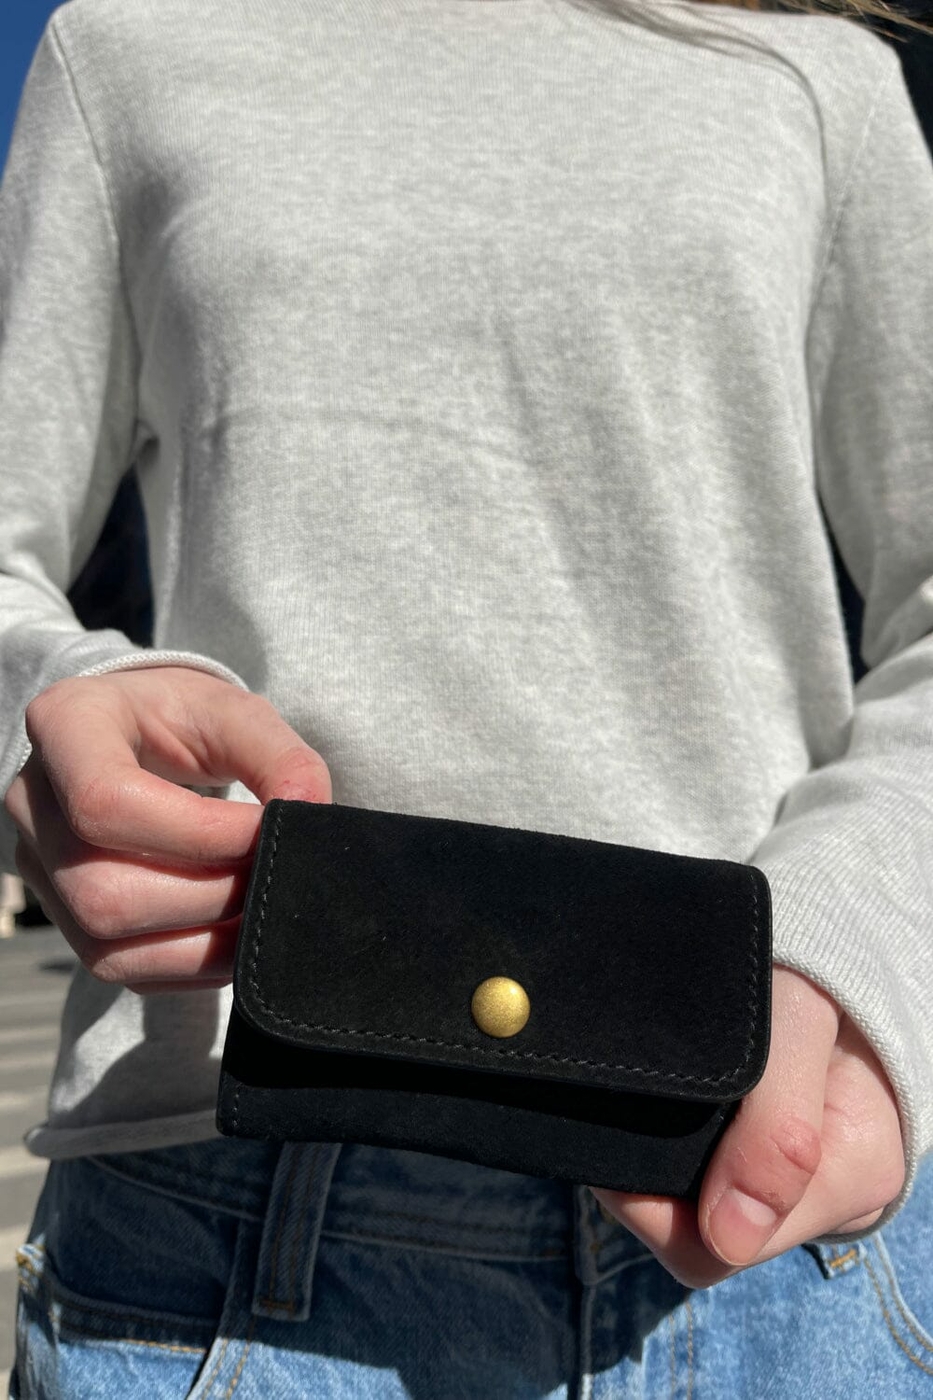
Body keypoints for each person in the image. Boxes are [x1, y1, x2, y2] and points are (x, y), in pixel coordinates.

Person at [2, 0, 933, 1393]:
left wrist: (849, 940)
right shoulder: (131, 47)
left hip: (764, 1188)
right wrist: (47, 708)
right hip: (220, 1212)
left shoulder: (815, 79)